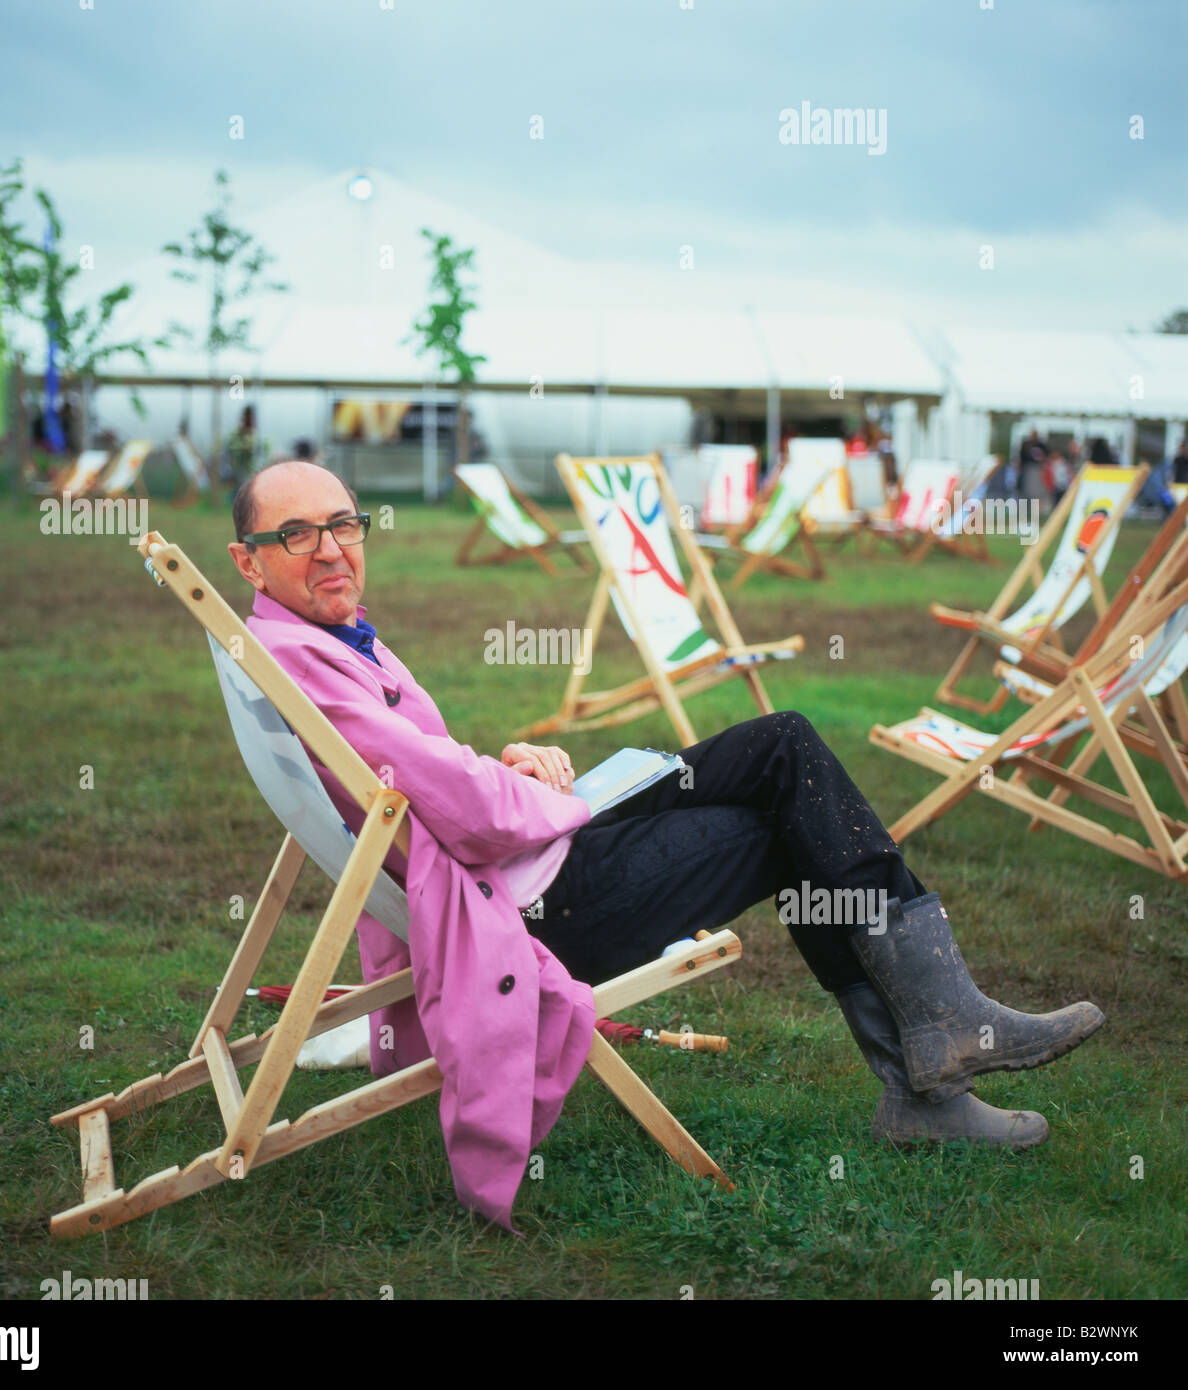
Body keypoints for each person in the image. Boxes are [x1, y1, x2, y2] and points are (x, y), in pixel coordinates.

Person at [227, 461, 1105, 1154]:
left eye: (343, 523)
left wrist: (511, 765)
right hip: (533, 905)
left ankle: (940, 1044)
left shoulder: (303, 642)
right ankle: (935, 1062)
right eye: (297, 533)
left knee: (785, 752)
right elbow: (445, 800)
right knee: (787, 806)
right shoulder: (306, 662)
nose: (332, 548)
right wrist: (530, 793)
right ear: (250, 560)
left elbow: (418, 779)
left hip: (514, 857)